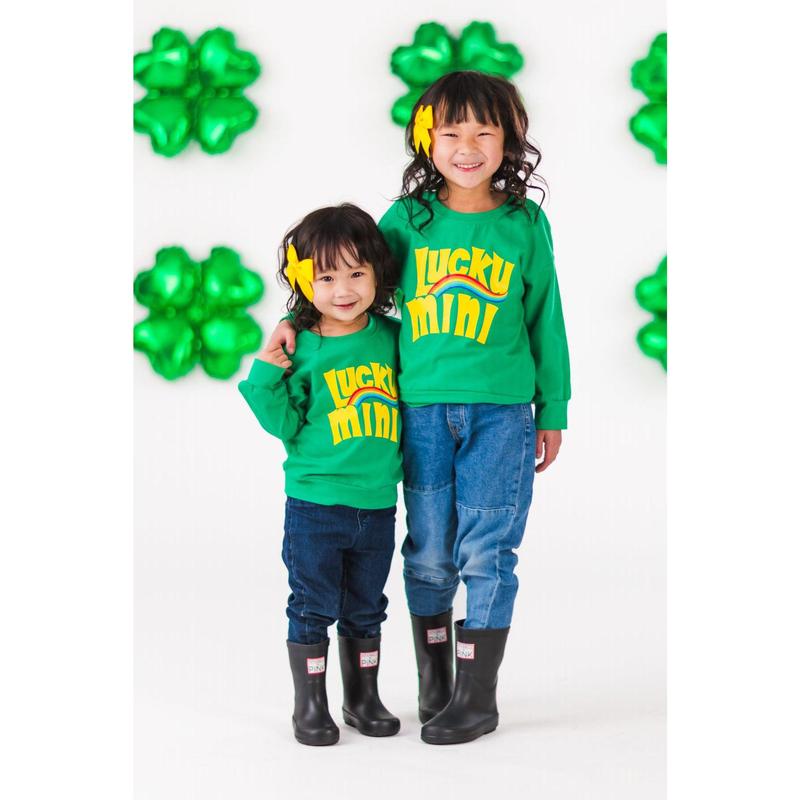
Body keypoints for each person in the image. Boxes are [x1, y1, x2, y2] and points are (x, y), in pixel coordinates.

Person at [266, 71, 571, 744]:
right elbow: (350, 293)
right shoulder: (407, 221)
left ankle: (477, 698)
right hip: (421, 413)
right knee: (430, 552)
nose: (467, 147)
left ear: (510, 140)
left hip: (502, 415)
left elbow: (546, 316)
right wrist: (295, 323)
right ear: (426, 140)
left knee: (487, 551)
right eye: (451, 132)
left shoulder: (524, 222)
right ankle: (437, 686)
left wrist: (553, 408)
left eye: (484, 132)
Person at [238, 204, 403, 745]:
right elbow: (285, 424)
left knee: (367, 607)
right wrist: (266, 374)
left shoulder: (393, 337)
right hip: (315, 505)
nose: (343, 290)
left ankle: (362, 698)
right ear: (303, 281)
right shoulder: (302, 345)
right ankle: (309, 706)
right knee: (312, 605)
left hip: (378, 504)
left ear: (378, 273)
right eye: (326, 277)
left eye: (356, 273)